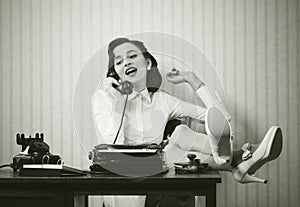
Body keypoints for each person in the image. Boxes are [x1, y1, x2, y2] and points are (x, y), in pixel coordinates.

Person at [91, 37, 283, 207]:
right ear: (114, 73)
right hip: (122, 184)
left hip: (158, 177)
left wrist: (192, 80)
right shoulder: (103, 98)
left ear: (148, 63)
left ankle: (235, 161)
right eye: (118, 61)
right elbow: (113, 144)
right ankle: (238, 160)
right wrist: (118, 103)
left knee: (180, 133)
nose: (126, 63)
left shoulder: (163, 101)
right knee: (170, 148)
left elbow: (220, 117)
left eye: (132, 56)